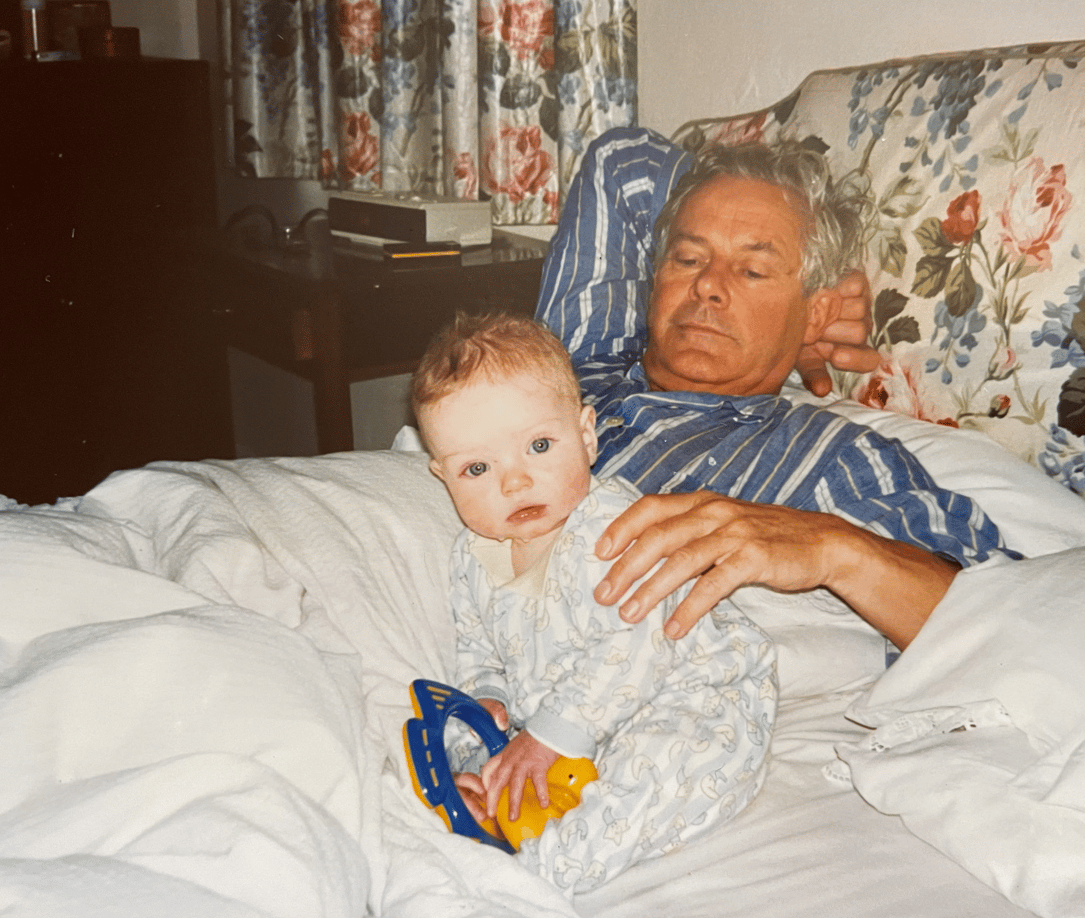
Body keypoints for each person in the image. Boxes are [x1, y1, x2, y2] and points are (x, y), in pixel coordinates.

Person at [536, 128, 1020, 650]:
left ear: (818, 313)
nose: (707, 285)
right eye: (688, 258)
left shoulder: (826, 456)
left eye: (752, 269)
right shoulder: (571, 367)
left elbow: (1004, 625)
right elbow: (621, 162)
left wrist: (836, 548)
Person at [410, 312, 777, 895]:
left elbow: (635, 641)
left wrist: (552, 734)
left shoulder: (608, 526)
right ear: (443, 476)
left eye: (538, 445)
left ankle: (536, 874)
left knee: (654, 771)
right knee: (509, 769)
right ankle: (496, 816)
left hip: (698, 692)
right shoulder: (470, 558)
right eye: (477, 468)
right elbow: (478, 652)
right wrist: (486, 716)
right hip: (577, 723)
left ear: (585, 435)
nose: (513, 482)